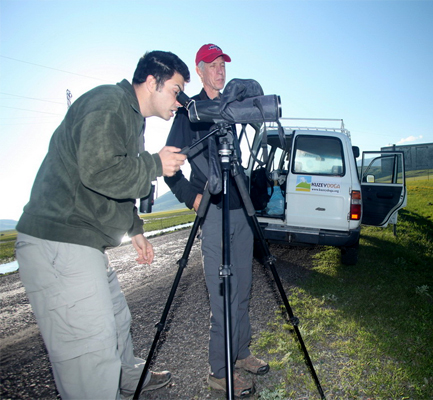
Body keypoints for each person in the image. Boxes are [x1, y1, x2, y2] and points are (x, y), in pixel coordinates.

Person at [15, 51, 190, 400]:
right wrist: (155, 163)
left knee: (115, 319)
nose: (181, 102)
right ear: (152, 82)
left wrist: (134, 227)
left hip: (83, 241)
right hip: (60, 238)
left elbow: (115, 182)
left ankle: (127, 379)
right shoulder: (109, 103)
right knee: (88, 348)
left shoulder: (131, 119)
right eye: (176, 90)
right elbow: (99, 170)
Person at [164, 43, 269, 398]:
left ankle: (240, 353)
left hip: (240, 210)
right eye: (212, 64)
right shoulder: (189, 113)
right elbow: (171, 169)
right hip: (214, 214)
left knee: (243, 287)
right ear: (199, 70)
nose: (220, 69)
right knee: (223, 291)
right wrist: (192, 199)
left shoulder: (232, 110)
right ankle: (218, 371)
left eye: (223, 63)